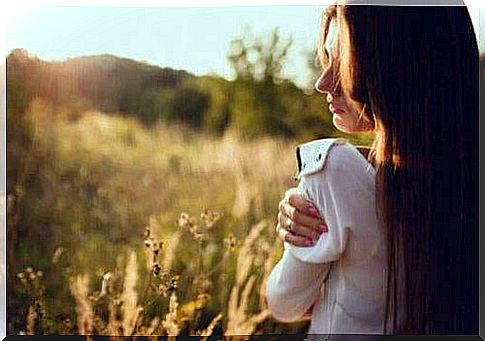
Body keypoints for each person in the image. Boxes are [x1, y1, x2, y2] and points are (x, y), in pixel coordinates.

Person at [265, 1, 478, 336]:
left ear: (395, 67)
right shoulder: (463, 183)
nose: (323, 82)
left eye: (345, 61)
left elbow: (282, 302)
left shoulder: (335, 170)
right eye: (327, 57)